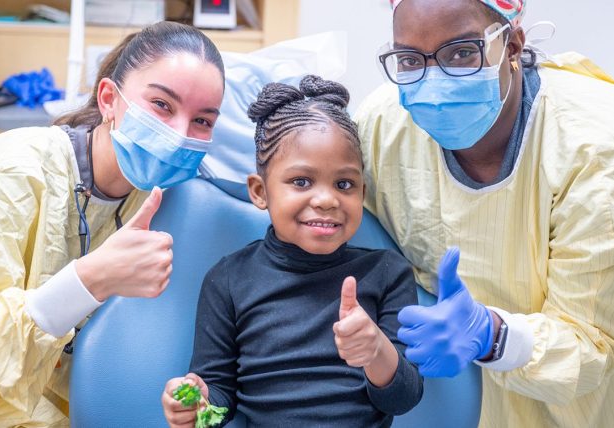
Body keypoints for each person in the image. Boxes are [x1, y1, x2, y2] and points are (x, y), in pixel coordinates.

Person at [354, 0, 614, 427]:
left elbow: (593, 344)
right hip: (464, 407)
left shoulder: (608, 156)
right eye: (410, 59)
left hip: (601, 409)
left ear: (513, 46)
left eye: (461, 52)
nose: (434, 80)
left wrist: (491, 334)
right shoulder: (385, 125)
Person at [0, 21, 225, 426]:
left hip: (45, 409)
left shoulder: (165, 197)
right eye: (161, 105)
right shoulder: (16, 172)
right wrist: (90, 279)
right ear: (109, 99)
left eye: (203, 121)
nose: (178, 136)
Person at [161, 75, 424, 427]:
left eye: (344, 184)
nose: (327, 199)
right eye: (301, 182)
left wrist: (375, 350)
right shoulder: (229, 279)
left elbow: (405, 397)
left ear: (362, 192)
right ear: (259, 191)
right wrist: (199, 402)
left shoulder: (388, 273)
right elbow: (220, 394)